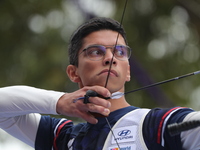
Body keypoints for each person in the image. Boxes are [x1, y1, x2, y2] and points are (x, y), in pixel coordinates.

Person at [0, 17, 200, 150]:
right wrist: (60, 101)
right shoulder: (61, 137)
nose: (110, 58)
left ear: (128, 70)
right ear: (73, 73)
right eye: (95, 51)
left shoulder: (157, 124)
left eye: (119, 52)